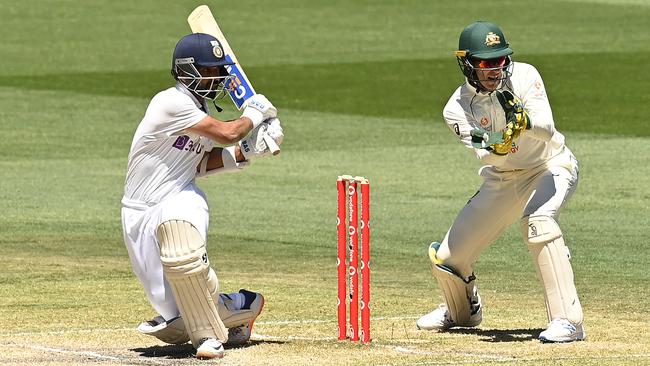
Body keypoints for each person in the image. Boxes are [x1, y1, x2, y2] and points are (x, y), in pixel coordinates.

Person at [416, 21, 585, 343]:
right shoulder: (456, 108)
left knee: (538, 222)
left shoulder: (525, 75)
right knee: (450, 259)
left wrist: (524, 122)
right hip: (503, 177)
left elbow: (548, 129)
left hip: (550, 165)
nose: (494, 70)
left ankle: (569, 322)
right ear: (467, 64)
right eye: (484, 63)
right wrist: (499, 144)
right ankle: (462, 313)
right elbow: (490, 157)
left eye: (499, 61)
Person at [121, 32, 284, 359]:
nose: (218, 77)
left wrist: (249, 151)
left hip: (180, 196)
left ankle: (207, 339)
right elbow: (228, 132)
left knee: (183, 255)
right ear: (188, 70)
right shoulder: (171, 103)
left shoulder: (200, 108)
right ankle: (240, 307)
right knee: (177, 318)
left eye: (219, 70)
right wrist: (254, 114)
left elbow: (194, 166)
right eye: (211, 71)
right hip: (137, 212)